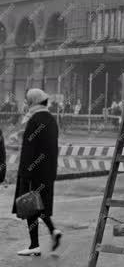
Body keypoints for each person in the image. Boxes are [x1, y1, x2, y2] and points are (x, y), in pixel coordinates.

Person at [12, 89, 62, 256]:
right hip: (47, 172)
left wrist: (25, 173)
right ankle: (52, 231)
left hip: (32, 171)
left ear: (33, 101)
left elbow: (29, 149)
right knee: (40, 206)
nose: (26, 104)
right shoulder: (51, 119)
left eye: (27, 101)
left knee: (30, 206)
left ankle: (35, 245)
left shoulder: (34, 120)